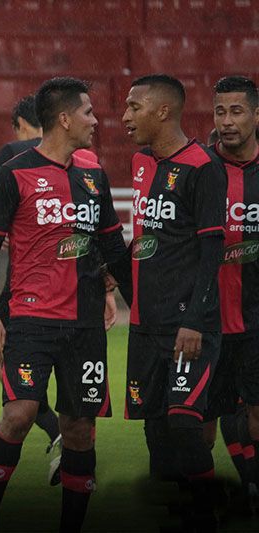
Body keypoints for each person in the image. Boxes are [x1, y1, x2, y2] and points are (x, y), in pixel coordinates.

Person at [0, 77, 130, 532]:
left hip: (83, 325)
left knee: (79, 426)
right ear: (64, 119)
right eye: (88, 113)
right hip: (29, 318)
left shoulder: (93, 173)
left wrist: (128, 299)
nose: (95, 121)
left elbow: (112, 247)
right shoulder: (14, 170)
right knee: (19, 413)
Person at [121, 74, 227, 528]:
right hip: (145, 328)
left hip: (188, 326)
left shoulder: (204, 166)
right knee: (157, 433)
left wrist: (197, 319)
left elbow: (212, 251)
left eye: (133, 107)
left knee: (185, 424)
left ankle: (209, 514)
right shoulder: (141, 163)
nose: (125, 117)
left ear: (162, 111)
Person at [205, 75, 259, 507]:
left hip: (257, 318)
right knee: (202, 420)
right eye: (220, 111)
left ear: (256, 116)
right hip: (206, 321)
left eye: (236, 111)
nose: (226, 121)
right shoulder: (200, 170)